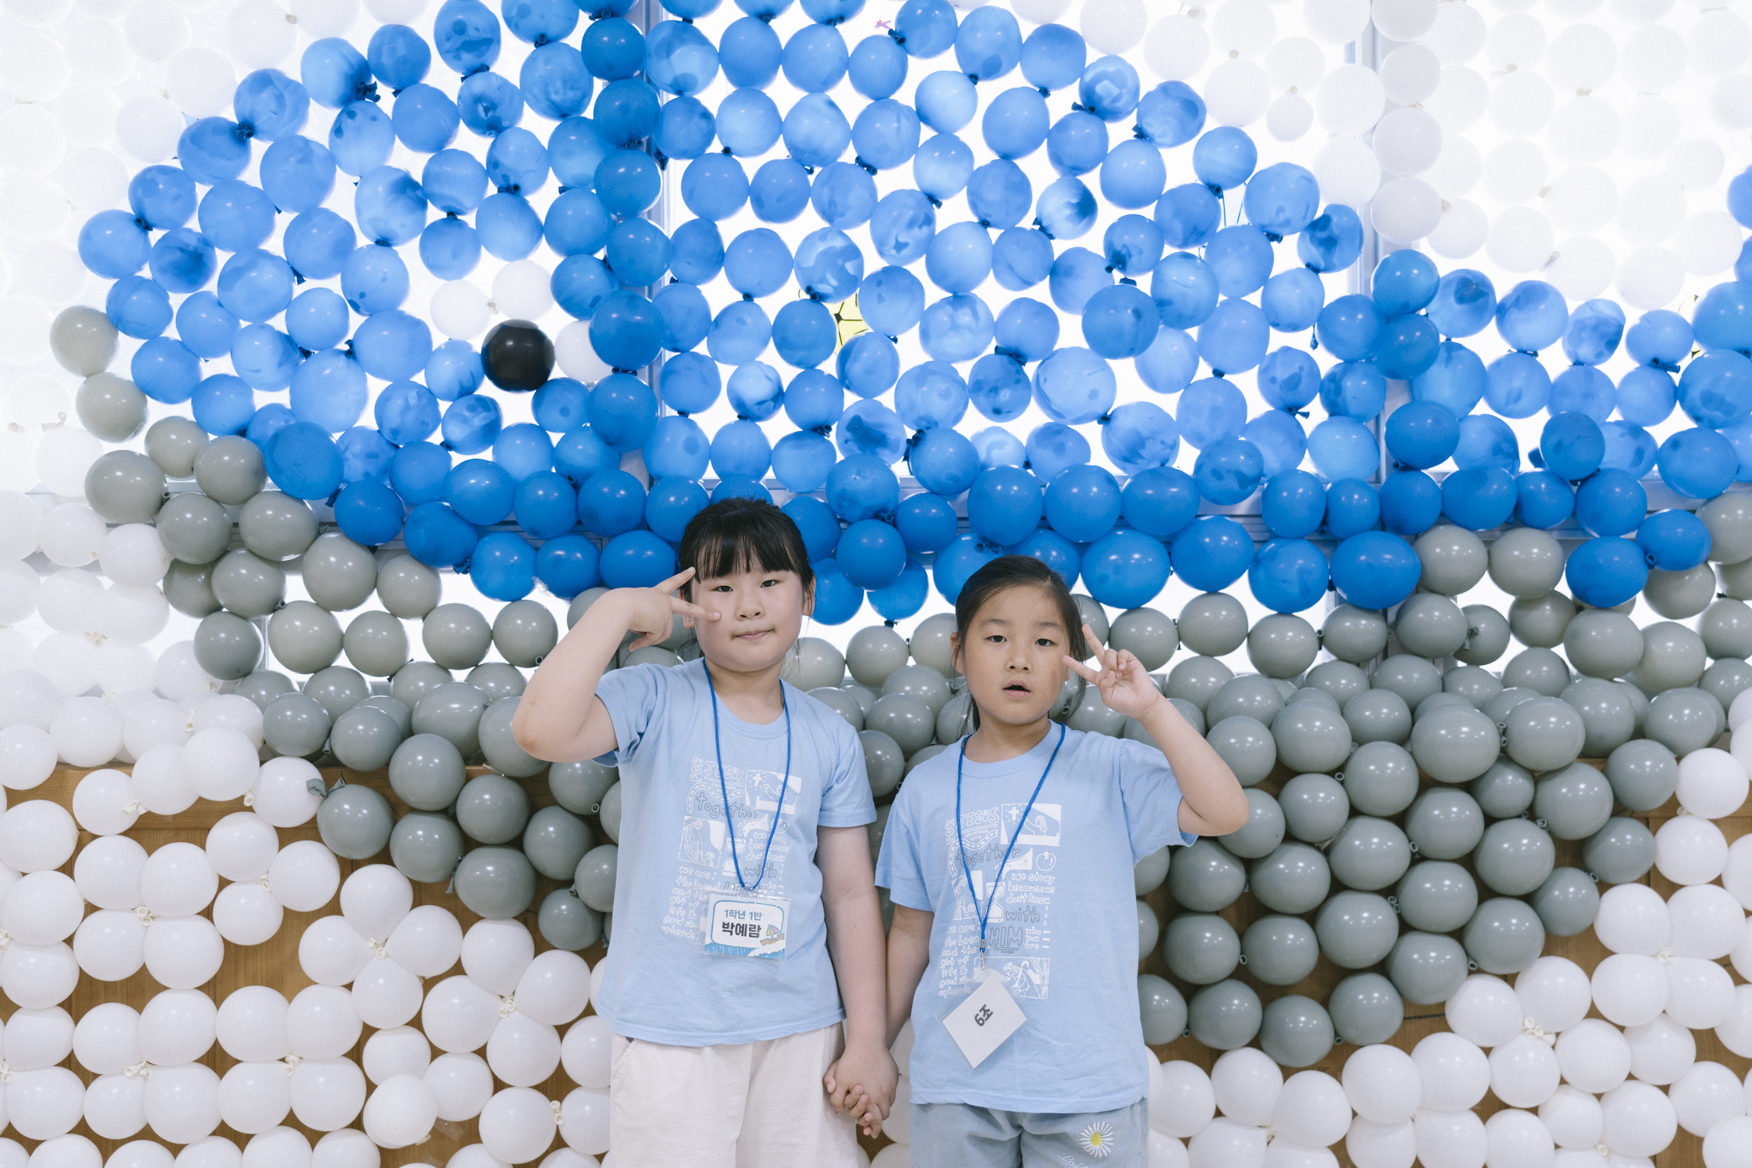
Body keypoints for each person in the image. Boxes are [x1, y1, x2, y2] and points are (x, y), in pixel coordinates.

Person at [513, 497, 896, 1165]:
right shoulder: (652, 697)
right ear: (689, 603)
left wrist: (867, 1041)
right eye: (722, 587)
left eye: (770, 582)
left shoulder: (829, 736)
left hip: (800, 1028)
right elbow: (538, 731)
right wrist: (615, 610)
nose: (748, 607)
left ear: (807, 595)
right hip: (673, 1030)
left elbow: (849, 895)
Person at [871, 555, 1249, 1166]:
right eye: (997, 638)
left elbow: (1226, 812)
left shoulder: (1109, 766)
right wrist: (874, 1048)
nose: (1019, 659)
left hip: (1086, 1085)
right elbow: (911, 932)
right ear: (958, 652)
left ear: (1071, 660)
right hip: (957, 1083)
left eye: (1045, 642)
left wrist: (1152, 709)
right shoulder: (925, 787)